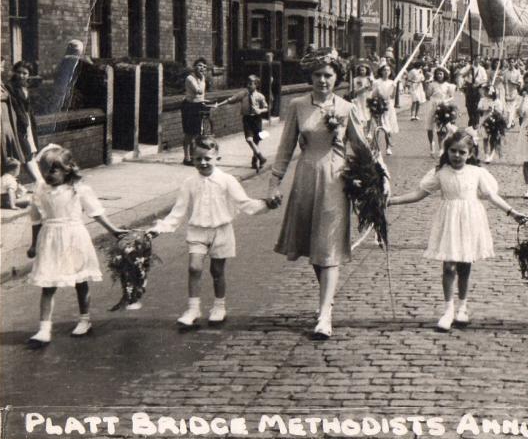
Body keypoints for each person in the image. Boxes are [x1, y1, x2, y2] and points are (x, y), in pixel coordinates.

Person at [269, 50, 369, 339]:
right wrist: (273, 183)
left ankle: (325, 313)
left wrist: (376, 178)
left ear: (337, 77)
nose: (323, 80)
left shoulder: (347, 108)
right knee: (315, 249)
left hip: (336, 181)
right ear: (310, 77)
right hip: (305, 179)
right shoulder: (298, 106)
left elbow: (361, 148)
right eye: (317, 75)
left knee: (328, 248)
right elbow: (285, 149)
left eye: (328, 75)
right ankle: (327, 300)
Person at [388, 130, 528, 331]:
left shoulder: (477, 173)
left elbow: (491, 196)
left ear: (470, 153)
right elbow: (419, 194)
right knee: (448, 266)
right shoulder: (441, 173)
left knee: (464, 265)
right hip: (449, 221)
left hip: (470, 220)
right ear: (447, 150)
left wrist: (513, 212)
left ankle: (462, 306)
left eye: (462, 152)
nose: (457, 155)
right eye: (453, 151)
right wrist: (392, 201)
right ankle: (448, 310)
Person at [148, 136, 276, 327]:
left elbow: (244, 203)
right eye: (198, 159)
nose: (203, 163)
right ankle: (193, 308)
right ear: (192, 159)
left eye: (208, 158)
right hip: (197, 231)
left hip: (221, 230)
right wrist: (159, 228)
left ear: (217, 158)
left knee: (217, 271)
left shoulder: (227, 180)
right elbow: (178, 211)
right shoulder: (189, 183)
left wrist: (266, 204)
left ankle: (219, 306)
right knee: (194, 268)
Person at [25, 145, 127, 346]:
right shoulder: (40, 190)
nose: (47, 174)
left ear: (67, 169)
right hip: (50, 240)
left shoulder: (78, 189)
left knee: (80, 281)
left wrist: (114, 230)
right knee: (48, 284)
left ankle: (84, 319)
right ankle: (44, 329)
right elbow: (36, 219)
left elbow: (95, 212)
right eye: (44, 170)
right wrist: (33, 244)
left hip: (74, 238)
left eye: (53, 170)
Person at [3, 61, 43, 183]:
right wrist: (24, 123)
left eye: (25, 73)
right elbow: (15, 107)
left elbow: (28, 108)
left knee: (30, 151)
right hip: (18, 123)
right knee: (26, 152)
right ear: (15, 72)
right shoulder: (10, 87)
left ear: (29, 75)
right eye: (19, 72)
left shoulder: (25, 87)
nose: (21, 75)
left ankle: (39, 181)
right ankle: (39, 182)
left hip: (28, 122)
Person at [219, 75, 269, 171]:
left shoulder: (260, 96)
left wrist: (260, 110)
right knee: (249, 139)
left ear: (256, 85)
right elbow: (230, 100)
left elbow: (266, 108)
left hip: (257, 119)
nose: (248, 85)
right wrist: (219, 104)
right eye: (247, 83)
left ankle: (255, 160)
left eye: (251, 84)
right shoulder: (243, 94)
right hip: (247, 119)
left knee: (256, 141)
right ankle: (261, 157)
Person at [181, 59, 210, 166]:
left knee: (197, 133)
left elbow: (201, 95)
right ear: (194, 67)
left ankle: (193, 156)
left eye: (204, 67)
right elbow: (198, 91)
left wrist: (204, 101)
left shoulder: (202, 78)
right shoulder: (190, 78)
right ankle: (186, 157)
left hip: (199, 106)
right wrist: (202, 79)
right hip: (190, 107)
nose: (202, 68)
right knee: (189, 133)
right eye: (200, 66)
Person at [425, 66, 457, 157]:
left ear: (444, 75)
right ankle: (431, 145)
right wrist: (427, 86)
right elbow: (428, 96)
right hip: (433, 105)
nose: (439, 75)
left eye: (441, 74)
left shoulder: (448, 85)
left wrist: (445, 101)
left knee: (442, 127)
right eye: (437, 74)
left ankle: (441, 148)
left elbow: (451, 96)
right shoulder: (432, 84)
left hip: (443, 106)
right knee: (430, 126)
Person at [372, 63, 400, 155]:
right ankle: (375, 147)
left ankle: (388, 147)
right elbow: (373, 95)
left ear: (390, 72)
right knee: (378, 127)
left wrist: (395, 88)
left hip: (388, 106)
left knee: (388, 127)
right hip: (379, 106)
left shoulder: (392, 83)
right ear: (381, 71)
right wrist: (377, 103)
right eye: (384, 70)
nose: (386, 72)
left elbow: (392, 97)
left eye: (388, 70)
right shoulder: (377, 82)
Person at [477, 86, 506, 163]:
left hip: (494, 122)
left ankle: (491, 155)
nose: (485, 92)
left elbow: (500, 112)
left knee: (493, 139)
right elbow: (479, 109)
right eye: (485, 91)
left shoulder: (497, 102)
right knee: (485, 138)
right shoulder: (482, 100)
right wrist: (485, 109)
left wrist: (494, 110)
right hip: (484, 121)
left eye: (486, 91)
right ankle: (486, 155)